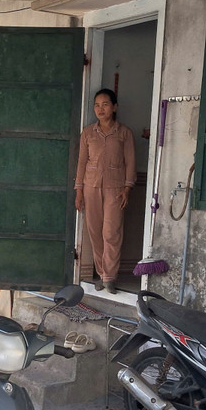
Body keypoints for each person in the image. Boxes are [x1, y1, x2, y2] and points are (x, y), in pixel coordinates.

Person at [74, 88, 136, 294]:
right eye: (97, 105)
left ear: (115, 107)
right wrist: (79, 191)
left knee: (111, 232)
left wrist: (127, 188)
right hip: (91, 188)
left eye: (105, 104)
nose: (100, 109)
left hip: (115, 189)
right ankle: (102, 273)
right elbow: (82, 162)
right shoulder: (88, 133)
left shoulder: (124, 133)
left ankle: (110, 277)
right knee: (95, 231)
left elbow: (130, 162)